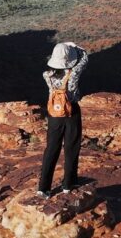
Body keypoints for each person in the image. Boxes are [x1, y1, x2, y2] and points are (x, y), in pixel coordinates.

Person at [37, 42, 89, 197]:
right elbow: (84, 58)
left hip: (54, 114)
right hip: (71, 112)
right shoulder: (73, 74)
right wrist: (75, 47)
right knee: (71, 147)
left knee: (51, 148)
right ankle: (68, 183)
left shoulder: (47, 75)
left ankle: (43, 187)